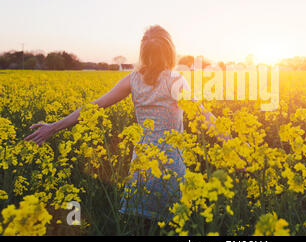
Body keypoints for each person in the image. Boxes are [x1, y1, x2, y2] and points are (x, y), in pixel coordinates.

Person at [24, 25, 226, 222]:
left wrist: (53, 127)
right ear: (170, 51)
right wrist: (232, 144)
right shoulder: (176, 80)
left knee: (139, 223)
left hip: (142, 163)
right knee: (170, 224)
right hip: (170, 163)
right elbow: (203, 115)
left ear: (143, 53)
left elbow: (94, 106)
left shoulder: (133, 80)